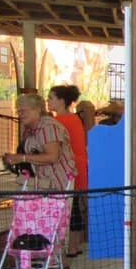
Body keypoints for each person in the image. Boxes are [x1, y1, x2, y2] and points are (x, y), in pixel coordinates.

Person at [3, 93, 77, 192]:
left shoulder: (48, 126)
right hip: (42, 184)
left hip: (56, 185)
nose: (20, 114)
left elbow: (52, 156)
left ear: (37, 109)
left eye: (24, 110)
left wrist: (22, 158)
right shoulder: (31, 129)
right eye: (18, 111)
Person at [47, 85, 88, 255]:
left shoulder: (59, 122)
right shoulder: (75, 119)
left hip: (68, 167)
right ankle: (76, 245)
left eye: (51, 98)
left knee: (69, 208)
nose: (48, 101)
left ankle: (70, 246)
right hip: (78, 164)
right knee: (76, 206)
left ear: (62, 101)